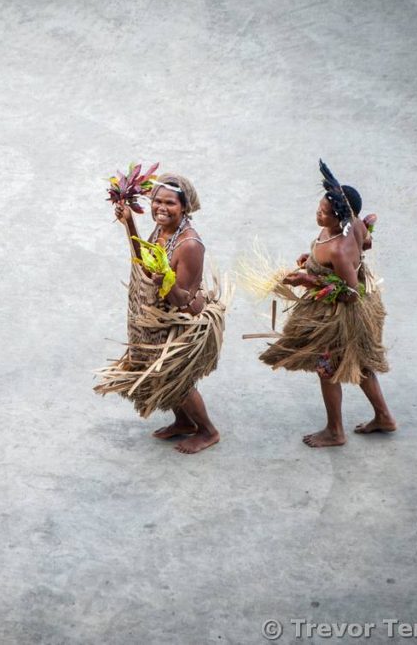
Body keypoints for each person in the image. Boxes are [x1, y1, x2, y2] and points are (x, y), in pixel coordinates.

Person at [259, 161, 396, 447]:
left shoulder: (338, 249)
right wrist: (312, 262)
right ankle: (384, 417)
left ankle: (335, 431)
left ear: (338, 216)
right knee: (360, 363)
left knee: (328, 370)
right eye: (318, 208)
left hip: (341, 316)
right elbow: (366, 243)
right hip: (343, 294)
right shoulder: (354, 225)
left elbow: (350, 293)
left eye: (323, 212)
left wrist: (309, 280)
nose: (317, 213)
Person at [94, 173, 230, 454]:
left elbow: (185, 298)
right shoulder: (162, 230)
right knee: (159, 373)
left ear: (184, 207)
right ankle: (183, 422)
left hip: (178, 319)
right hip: (157, 315)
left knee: (176, 377)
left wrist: (164, 284)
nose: (161, 208)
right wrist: (129, 222)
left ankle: (207, 431)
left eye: (170, 203)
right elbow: (143, 261)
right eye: (157, 202)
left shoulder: (189, 245)